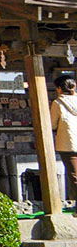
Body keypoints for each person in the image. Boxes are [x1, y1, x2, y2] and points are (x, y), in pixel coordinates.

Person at [51, 75, 77, 206]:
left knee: (74, 175)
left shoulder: (57, 103)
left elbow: (52, 124)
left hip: (67, 143)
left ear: (60, 89)